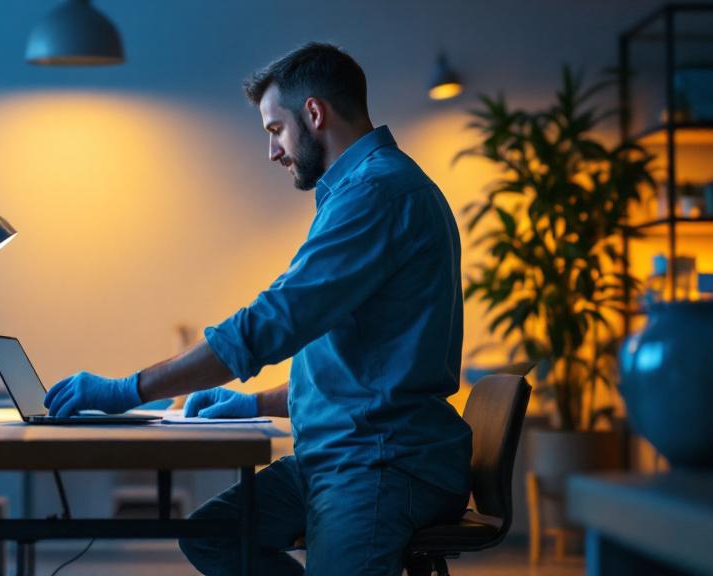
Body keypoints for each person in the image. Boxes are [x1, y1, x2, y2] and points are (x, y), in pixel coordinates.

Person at [43, 42, 472, 575]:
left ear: (313, 113)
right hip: (344, 454)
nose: (272, 151)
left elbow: (270, 325)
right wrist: (253, 402)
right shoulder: (363, 189)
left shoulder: (376, 194)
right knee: (212, 537)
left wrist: (127, 390)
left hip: (380, 462)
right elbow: (357, 373)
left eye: (275, 129)